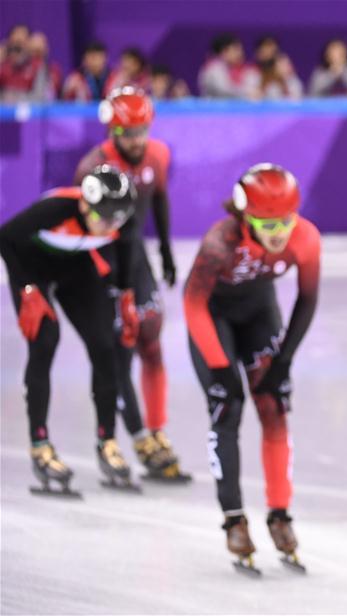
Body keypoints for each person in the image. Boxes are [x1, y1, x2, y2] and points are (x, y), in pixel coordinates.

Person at [184, 164, 321, 572]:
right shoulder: (218, 244)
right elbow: (193, 304)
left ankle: (280, 515)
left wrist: (285, 360)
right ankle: (233, 518)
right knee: (228, 409)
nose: (278, 233)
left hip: (259, 313)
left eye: (285, 221)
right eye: (266, 223)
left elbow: (307, 300)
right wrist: (219, 367)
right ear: (245, 216)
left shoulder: (306, 238)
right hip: (214, 318)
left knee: (274, 409)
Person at [0, 165, 141, 493]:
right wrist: (27, 289)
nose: (110, 226)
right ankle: (40, 445)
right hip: (33, 269)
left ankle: (107, 441)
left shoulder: (119, 217)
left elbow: (126, 246)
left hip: (76, 267)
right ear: (84, 205)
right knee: (46, 342)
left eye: (116, 220)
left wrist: (126, 295)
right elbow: (6, 238)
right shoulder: (54, 209)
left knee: (105, 346)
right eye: (104, 219)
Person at [75, 87, 187, 481]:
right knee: (118, 353)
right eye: (128, 133)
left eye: (142, 130)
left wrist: (168, 253)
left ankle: (156, 432)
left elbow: (159, 199)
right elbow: (83, 232)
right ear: (112, 131)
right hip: (104, 264)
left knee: (152, 343)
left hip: (137, 258)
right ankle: (135, 436)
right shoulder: (93, 167)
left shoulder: (159, 153)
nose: (137, 140)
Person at [198, 34, 258, 99]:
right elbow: (224, 90)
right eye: (236, 49)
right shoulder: (214, 68)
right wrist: (247, 92)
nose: (240, 53)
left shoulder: (228, 68)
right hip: (212, 108)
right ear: (224, 51)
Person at [253, 35, 303, 100]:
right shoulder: (258, 77)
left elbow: (296, 100)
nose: (286, 67)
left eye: (287, 64)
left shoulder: (294, 81)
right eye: (281, 64)